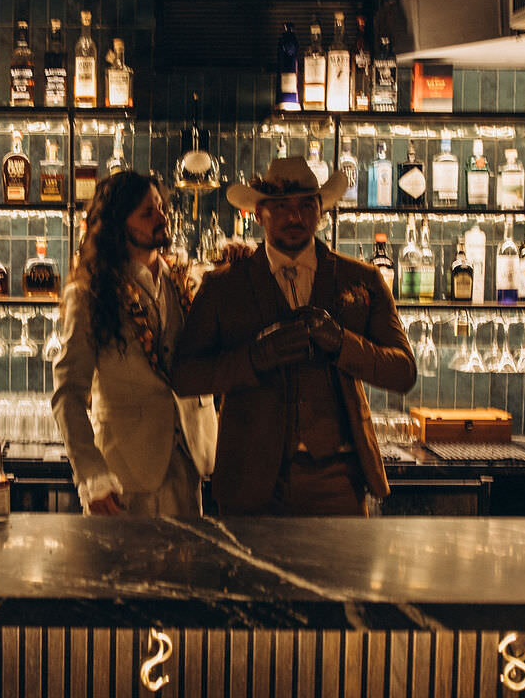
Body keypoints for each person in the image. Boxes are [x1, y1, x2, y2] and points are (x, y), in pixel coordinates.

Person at [171, 157, 417, 516]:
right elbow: (184, 375)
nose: (294, 217)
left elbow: (403, 372)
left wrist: (341, 341)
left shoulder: (362, 280)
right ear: (258, 213)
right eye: (281, 207)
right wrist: (254, 358)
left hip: (338, 479)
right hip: (248, 480)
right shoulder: (224, 286)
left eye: (306, 206)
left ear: (321, 211)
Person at [52, 171, 217, 516]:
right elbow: (68, 393)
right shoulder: (89, 294)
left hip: (189, 465)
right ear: (117, 224)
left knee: (186, 569)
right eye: (147, 212)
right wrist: (94, 478)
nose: (162, 217)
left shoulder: (185, 282)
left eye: (161, 207)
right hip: (124, 476)